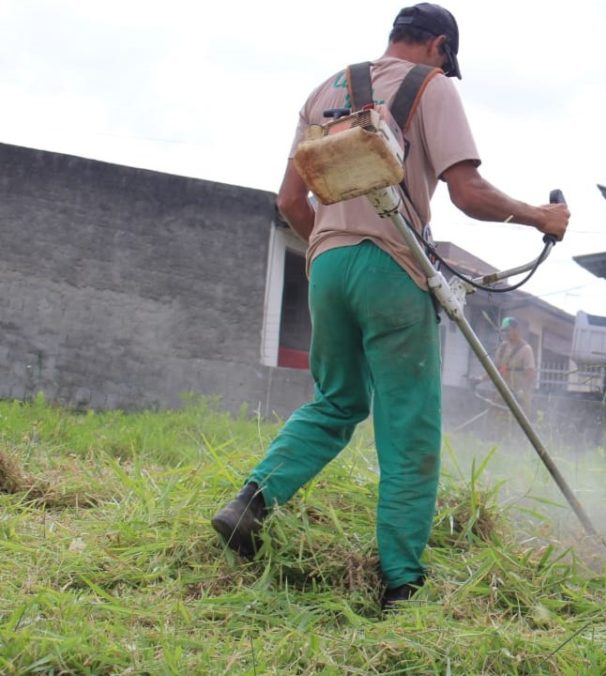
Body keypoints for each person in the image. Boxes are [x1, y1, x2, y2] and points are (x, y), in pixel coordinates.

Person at [211, 3, 569, 612]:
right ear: (437, 46)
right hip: (392, 264)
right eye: (446, 59)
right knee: (409, 426)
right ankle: (401, 581)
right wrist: (541, 216)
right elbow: (468, 192)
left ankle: (250, 502)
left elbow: (290, 201)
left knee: (337, 403)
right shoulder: (431, 87)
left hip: (324, 264)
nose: (445, 68)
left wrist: (328, 253)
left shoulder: (325, 90)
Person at [494, 316, 537, 412]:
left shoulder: (526, 349)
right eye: (504, 331)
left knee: (516, 424)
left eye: (508, 330)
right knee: (497, 423)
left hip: (519, 399)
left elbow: (530, 374)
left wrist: (521, 390)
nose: (506, 334)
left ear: (517, 330)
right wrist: (479, 379)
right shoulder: (502, 349)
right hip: (503, 396)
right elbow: (494, 371)